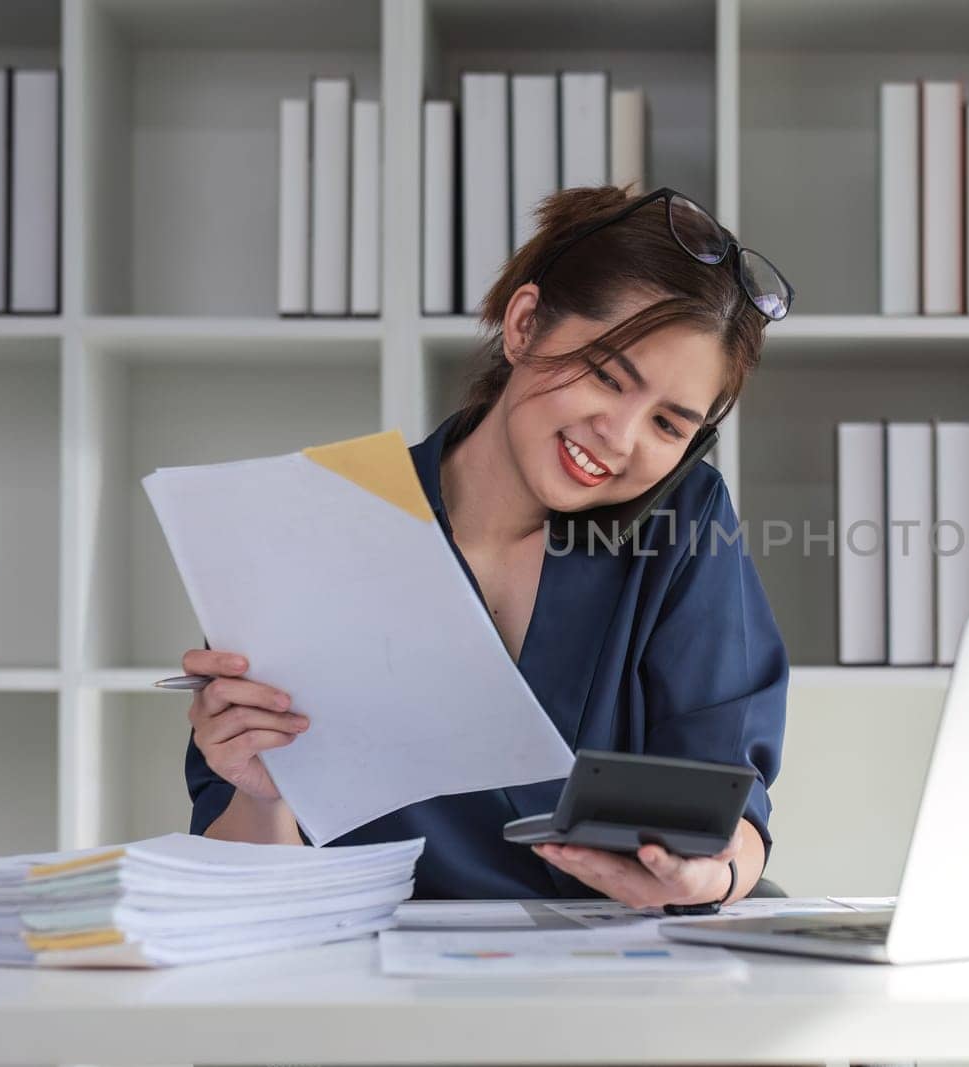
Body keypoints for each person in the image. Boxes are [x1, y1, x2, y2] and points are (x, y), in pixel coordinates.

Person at [179, 184, 795, 911]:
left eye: (668, 425)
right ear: (525, 324)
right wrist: (262, 794)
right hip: (374, 971)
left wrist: (707, 875)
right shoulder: (325, 522)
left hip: (616, 969)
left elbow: (733, 805)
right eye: (605, 375)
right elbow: (239, 879)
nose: (621, 438)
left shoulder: (685, 521)